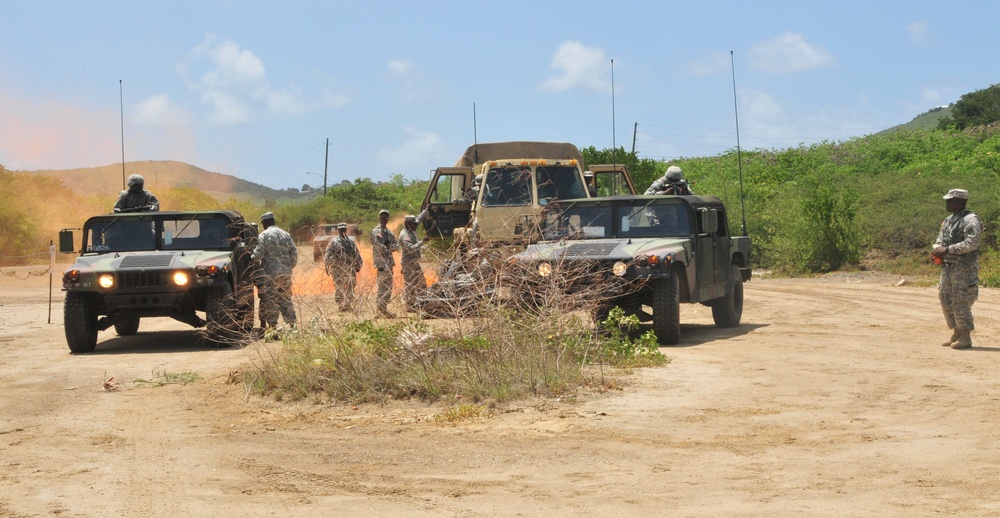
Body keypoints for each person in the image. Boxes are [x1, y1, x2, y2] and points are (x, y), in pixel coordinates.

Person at [930, 189, 983, 349]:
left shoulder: (971, 220)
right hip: (948, 266)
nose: (947, 203)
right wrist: (937, 249)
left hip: (964, 268)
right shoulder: (948, 220)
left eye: (950, 201)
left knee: (961, 300)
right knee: (945, 297)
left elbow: (972, 243)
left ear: (959, 202)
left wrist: (948, 249)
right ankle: (956, 332)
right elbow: (940, 239)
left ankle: (965, 336)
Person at [253, 212, 298, 329]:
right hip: (285, 274)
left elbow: (258, 254)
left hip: (270, 275)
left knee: (271, 300)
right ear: (274, 221)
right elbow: (294, 255)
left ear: (264, 223)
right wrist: (287, 268)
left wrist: (250, 257)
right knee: (285, 299)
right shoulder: (286, 235)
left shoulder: (264, 235)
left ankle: (273, 327)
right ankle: (292, 326)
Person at [324, 222, 363, 312]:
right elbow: (328, 254)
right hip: (337, 268)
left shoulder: (351, 241)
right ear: (338, 230)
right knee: (339, 287)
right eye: (341, 229)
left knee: (350, 286)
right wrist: (327, 266)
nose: (343, 231)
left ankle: (348, 304)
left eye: (344, 229)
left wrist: (359, 264)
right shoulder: (334, 242)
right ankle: (341, 305)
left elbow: (356, 253)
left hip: (350, 267)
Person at [399, 214, 431, 311]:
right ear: (408, 224)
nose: (416, 226)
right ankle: (410, 306)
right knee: (411, 286)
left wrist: (426, 211)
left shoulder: (411, 232)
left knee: (421, 284)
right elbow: (410, 249)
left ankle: (421, 303)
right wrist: (422, 242)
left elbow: (419, 219)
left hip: (415, 263)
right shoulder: (405, 235)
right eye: (414, 224)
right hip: (409, 264)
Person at [371, 209, 399, 317]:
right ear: (379, 219)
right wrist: (388, 247)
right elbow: (379, 246)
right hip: (381, 263)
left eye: (386, 218)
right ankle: (380, 309)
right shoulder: (376, 232)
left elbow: (396, 245)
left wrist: (389, 247)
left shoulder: (389, 232)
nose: (384, 220)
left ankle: (384, 309)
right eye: (382, 218)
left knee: (388, 287)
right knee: (382, 286)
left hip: (389, 263)